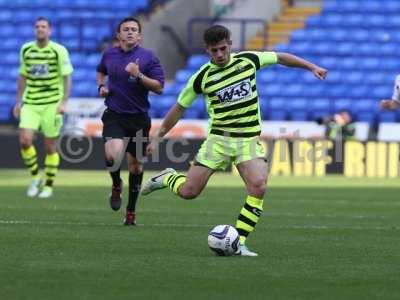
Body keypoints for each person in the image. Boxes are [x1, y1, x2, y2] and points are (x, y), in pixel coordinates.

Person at [141, 25, 327, 256]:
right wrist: (158, 137)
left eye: (222, 49)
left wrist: (311, 67)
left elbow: (281, 58)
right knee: (189, 192)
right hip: (218, 141)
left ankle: (239, 242)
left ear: (229, 43)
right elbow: (179, 108)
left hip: (248, 140)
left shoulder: (248, 60)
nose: (219, 55)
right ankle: (168, 177)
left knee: (258, 186)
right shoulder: (201, 77)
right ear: (207, 50)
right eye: (213, 51)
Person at [96, 17, 165, 226]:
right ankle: (116, 184)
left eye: (134, 29)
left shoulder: (148, 57)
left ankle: (131, 213)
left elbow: (159, 87)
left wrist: (139, 75)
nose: (130, 32)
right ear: (118, 35)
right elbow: (101, 72)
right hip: (115, 114)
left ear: (139, 36)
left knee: (136, 167)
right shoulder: (109, 54)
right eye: (125, 29)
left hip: (139, 119)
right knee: (112, 154)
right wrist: (101, 87)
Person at [13, 17, 73, 198]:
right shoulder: (26, 49)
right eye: (37, 26)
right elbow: (22, 76)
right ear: (34, 30)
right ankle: (35, 178)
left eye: (43, 26)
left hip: (51, 103)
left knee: (50, 147)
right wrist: (18, 101)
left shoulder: (58, 50)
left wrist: (63, 102)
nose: (40, 29)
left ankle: (48, 186)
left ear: (50, 30)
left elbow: (67, 77)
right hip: (31, 102)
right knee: (25, 141)